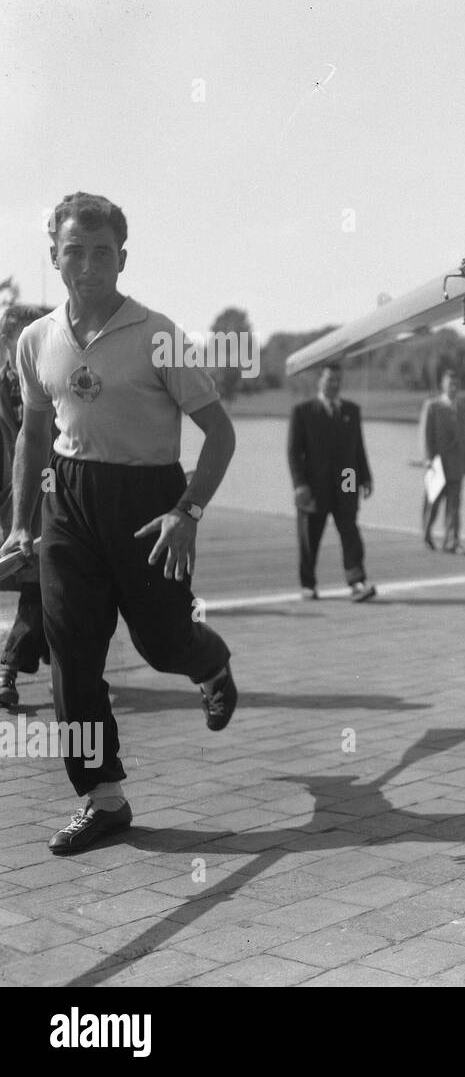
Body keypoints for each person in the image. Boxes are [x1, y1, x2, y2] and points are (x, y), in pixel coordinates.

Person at [0, 191, 239, 855]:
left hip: (151, 507)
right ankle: (103, 797)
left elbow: (219, 434)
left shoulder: (158, 334)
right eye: (72, 250)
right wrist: (21, 526)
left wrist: (187, 510)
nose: (86, 264)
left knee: (163, 643)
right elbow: (35, 434)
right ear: (53, 256)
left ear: (122, 258)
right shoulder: (35, 340)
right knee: (71, 653)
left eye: (100, 251)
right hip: (69, 506)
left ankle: (210, 662)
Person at [0, 302, 54, 710]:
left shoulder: (60, 382)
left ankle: (11, 670)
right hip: (12, 511)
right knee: (45, 593)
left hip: (49, 507)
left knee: (45, 590)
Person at [289, 362, 376, 600]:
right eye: (330, 379)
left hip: (347, 481)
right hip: (314, 486)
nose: (334, 384)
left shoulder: (351, 411)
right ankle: (308, 584)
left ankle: (357, 581)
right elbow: (293, 452)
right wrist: (299, 484)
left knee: (350, 532)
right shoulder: (303, 412)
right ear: (320, 380)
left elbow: (358, 447)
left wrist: (366, 477)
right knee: (310, 536)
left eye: (338, 380)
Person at [418, 369, 465, 553]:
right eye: (450, 384)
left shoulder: (463, 408)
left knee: (454, 507)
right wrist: (427, 458)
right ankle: (426, 534)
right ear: (443, 385)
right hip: (438, 464)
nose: (453, 388)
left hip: (457, 464)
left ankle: (452, 542)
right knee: (432, 503)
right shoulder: (433, 406)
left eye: (456, 385)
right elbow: (425, 434)